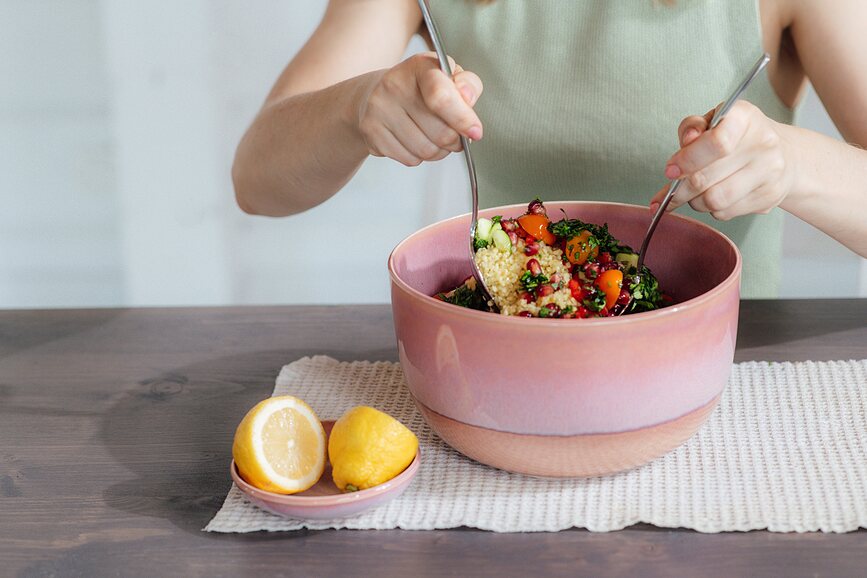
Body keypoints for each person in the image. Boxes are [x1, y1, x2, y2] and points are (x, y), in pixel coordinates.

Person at [231, 0, 867, 298]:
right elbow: (256, 180)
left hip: (734, 381)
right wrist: (355, 107)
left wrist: (792, 164)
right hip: (503, 369)